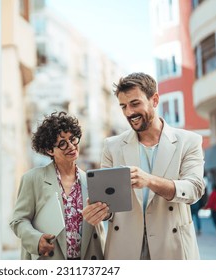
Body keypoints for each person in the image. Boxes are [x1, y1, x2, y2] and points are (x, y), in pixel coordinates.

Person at [82, 72, 205, 260]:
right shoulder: (112, 146)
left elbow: (194, 189)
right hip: (125, 248)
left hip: (172, 246)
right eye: (123, 106)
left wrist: (149, 180)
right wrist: (99, 212)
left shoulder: (188, 141)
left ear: (154, 100)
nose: (129, 112)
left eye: (135, 103)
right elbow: (109, 204)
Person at [10, 111, 105, 260]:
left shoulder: (91, 181)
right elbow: (18, 221)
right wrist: (36, 240)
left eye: (73, 139)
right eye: (62, 143)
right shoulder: (32, 179)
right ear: (49, 150)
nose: (71, 146)